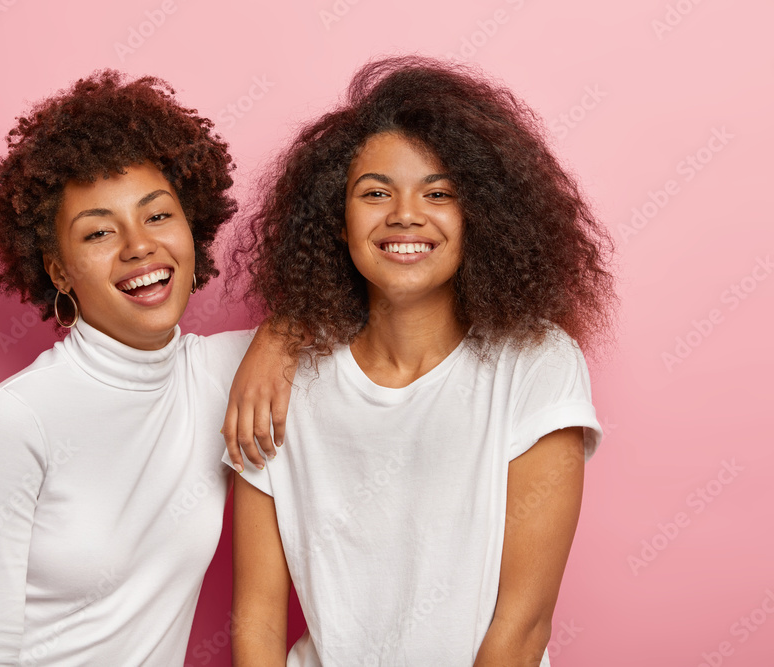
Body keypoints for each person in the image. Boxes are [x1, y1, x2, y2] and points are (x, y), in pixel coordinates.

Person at [225, 56, 616, 666]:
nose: (405, 214)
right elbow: (256, 620)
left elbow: (523, 626)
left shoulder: (536, 364)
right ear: (336, 217)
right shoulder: (278, 380)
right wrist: (280, 332)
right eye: (376, 192)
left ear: (480, 215)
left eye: (439, 193)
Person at [0, 69, 258, 665]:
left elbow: (336, 325)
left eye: (159, 216)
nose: (138, 246)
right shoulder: (20, 414)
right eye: (97, 232)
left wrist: (276, 342)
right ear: (58, 270)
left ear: (194, 228)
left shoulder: (223, 375)